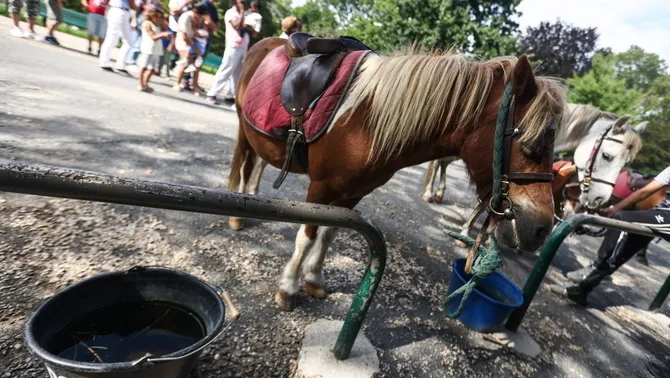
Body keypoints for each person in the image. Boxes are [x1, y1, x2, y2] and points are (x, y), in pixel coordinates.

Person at [551, 164, 670, 305]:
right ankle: (580, 292)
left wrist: (619, 213)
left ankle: (596, 267)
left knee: (623, 219)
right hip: (659, 212)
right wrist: (616, 208)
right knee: (624, 248)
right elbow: (643, 192)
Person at [205, 0, 255, 108]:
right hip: (234, 45)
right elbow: (237, 26)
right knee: (226, 69)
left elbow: (247, 28)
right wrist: (242, 12)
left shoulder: (244, 14)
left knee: (237, 74)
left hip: (243, 47)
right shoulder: (231, 13)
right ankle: (212, 94)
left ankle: (231, 96)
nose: (243, 2)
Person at [172, 2, 210, 94]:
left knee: (197, 65)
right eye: (200, 15)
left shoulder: (197, 18)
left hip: (193, 41)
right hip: (183, 41)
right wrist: (196, 50)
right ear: (195, 11)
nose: (200, 17)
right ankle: (177, 83)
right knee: (186, 61)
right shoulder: (186, 17)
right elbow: (184, 36)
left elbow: (196, 31)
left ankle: (195, 86)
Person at [99, 0, 139, 73]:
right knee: (114, 39)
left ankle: (114, 64)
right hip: (120, 11)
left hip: (115, 10)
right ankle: (107, 63)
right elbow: (133, 5)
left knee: (114, 39)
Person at [137, 7, 171, 92]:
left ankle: (146, 83)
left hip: (156, 49)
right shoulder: (148, 24)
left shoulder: (158, 25)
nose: (159, 19)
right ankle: (141, 84)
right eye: (158, 17)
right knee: (143, 67)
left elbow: (165, 30)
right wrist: (163, 34)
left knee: (152, 69)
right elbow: (153, 37)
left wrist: (164, 25)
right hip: (148, 48)